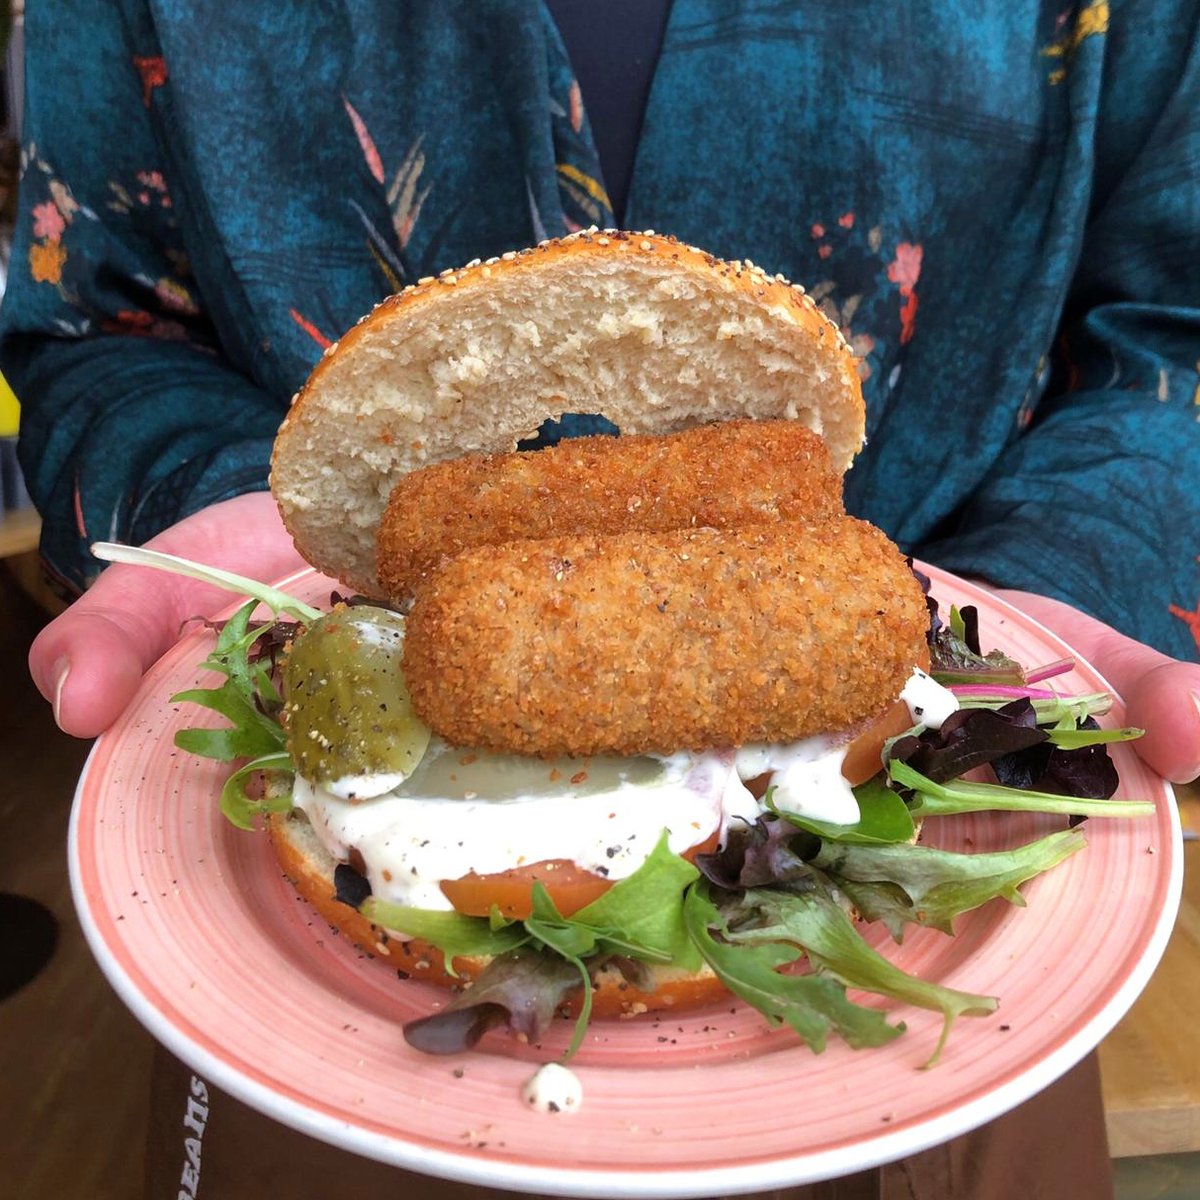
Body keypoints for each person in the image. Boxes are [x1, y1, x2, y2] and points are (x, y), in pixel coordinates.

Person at [3, 2, 1198, 1197]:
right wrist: (227, 501)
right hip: (316, 1052)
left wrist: (1047, 588)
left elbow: (1174, 331)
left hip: (936, 988)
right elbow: (91, 327)